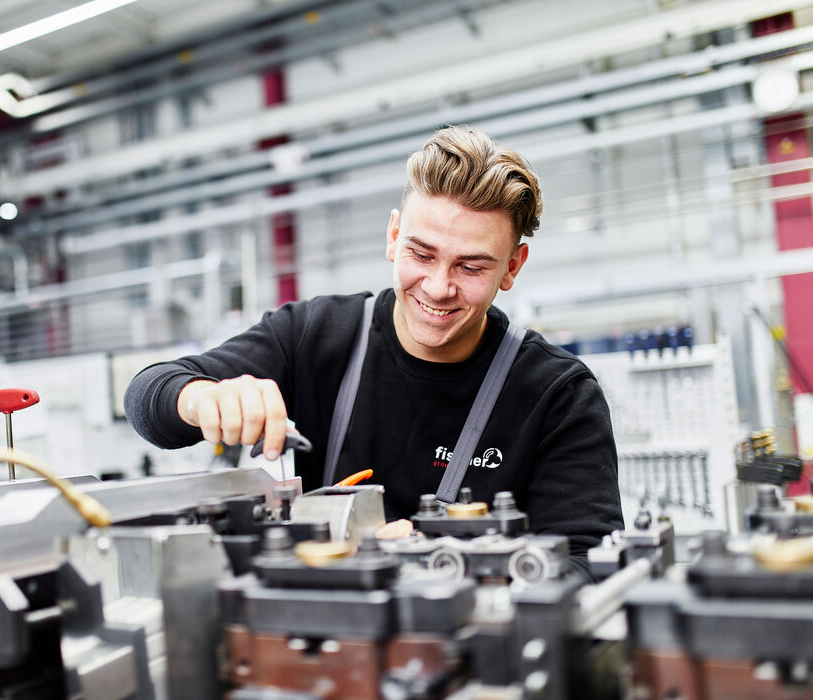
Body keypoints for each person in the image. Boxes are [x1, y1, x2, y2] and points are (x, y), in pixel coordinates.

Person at [125, 125, 623, 577]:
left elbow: (591, 564)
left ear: (512, 267)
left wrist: (450, 562)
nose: (438, 287)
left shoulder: (557, 394)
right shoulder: (316, 336)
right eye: (421, 253)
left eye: (471, 267)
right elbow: (148, 396)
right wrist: (201, 397)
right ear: (393, 236)